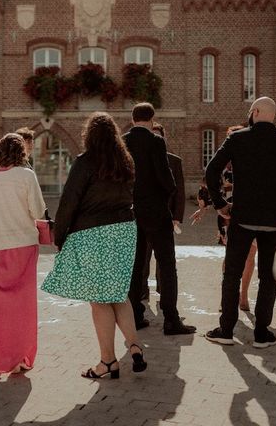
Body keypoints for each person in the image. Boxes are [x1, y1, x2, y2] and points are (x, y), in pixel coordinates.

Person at [42, 112, 147, 379]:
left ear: (89, 135)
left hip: (93, 234)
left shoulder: (85, 162)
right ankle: (134, 345)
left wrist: (60, 235)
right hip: (124, 230)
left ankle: (108, 361)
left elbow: (69, 200)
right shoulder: (126, 162)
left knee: (99, 300)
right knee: (118, 293)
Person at [205, 97, 276, 348]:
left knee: (232, 273)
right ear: (273, 116)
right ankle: (262, 333)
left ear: (254, 112)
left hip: (242, 218)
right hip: (275, 221)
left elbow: (212, 170)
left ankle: (226, 329)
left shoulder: (238, 138)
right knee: (268, 277)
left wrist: (220, 203)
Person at [122, 103, 196, 335]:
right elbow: (168, 180)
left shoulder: (122, 142)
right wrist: (164, 196)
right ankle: (171, 319)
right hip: (156, 213)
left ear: (133, 119)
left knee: (135, 265)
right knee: (167, 264)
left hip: (132, 212)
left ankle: (134, 315)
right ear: (152, 120)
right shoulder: (156, 142)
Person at [0, 133, 46, 374]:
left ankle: (1, 356)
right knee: (23, 305)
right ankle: (21, 356)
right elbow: (38, 210)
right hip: (23, 243)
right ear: (21, 153)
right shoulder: (26, 175)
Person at [141, 123, 185, 299]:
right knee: (143, 257)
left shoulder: (174, 161)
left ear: (163, 139)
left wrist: (177, 217)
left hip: (165, 217)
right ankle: (142, 291)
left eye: (158, 136)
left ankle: (162, 289)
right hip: (144, 217)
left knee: (164, 259)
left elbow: (179, 192)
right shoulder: (141, 159)